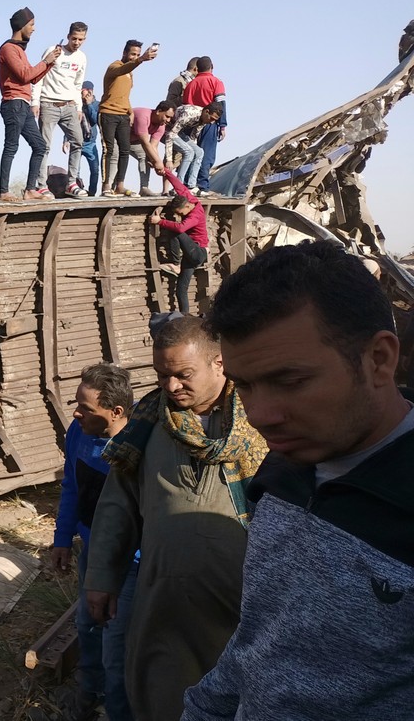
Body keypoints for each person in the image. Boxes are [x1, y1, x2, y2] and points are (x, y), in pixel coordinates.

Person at [182, 240, 414, 721]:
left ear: (379, 359)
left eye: (290, 381)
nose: (262, 415)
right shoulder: (283, 472)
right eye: (244, 385)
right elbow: (262, 638)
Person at [85, 316, 268, 721]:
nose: (170, 387)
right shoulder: (146, 426)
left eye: (183, 374)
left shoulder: (263, 418)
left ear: (219, 363)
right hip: (163, 600)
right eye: (161, 375)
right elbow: (117, 506)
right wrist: (101, 578)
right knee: (161, 695)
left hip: (242, 604)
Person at [51, 363, 136, 721]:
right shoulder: (78, 433)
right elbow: (71, 485)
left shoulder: (136, 449)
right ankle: (88, 697)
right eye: (76, 404)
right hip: (91, 551)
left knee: (118, 648)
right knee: (87, 626)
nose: (75, 412)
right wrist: (63, 538)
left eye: (85, 408)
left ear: (115, 412)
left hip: (131, 564)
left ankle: (117, 712)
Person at [0, 8, 56, 201]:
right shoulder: (9, 49)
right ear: (22, 26)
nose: (34, 29)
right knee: (11, 146)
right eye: (32, 24)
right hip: (13, 104)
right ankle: (3, 191)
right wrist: (45, 61)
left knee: (39, 146)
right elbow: (25, 75)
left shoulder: (19, 50)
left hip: (24, 104)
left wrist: (50, 63)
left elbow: (33, 78)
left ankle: (30, 190)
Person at [32, 21, 89, 198]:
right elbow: (40, 76)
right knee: (44, 146)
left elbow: (78, 83)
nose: (77, 42)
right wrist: (35, 101)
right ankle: (41, 184)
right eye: (74, 38)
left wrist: (78, 107)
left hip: (70, 105)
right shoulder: (54, 51)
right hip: (49, 104)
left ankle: (71, 183)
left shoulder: (82, 58)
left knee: (78, 141)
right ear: (68, 36)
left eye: (81, 39)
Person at [98, 40, 157, 196]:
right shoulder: (115, 67)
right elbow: (123, 69)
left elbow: (124, 95)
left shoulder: (130, 73)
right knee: (109, 150)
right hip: (108, 113)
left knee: (125, 150)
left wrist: (130, 111)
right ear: (124, 53)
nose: (134, 57)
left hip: (123, 115)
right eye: (132, 54)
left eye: (137, 54)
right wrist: (141, 59)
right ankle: (106, 186)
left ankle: (120, 185)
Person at [149, 165, 208, 314]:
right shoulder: (188, 199)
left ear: (187, 206)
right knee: (181, 289)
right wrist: (166, 172)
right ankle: (185, 316)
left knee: (176, 231)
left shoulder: (195, 215)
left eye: (180, 212)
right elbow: (179, 186)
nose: (179, 214)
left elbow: (181, 228)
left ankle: (175, 263)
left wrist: (160, 221)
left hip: (198, 252)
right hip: (190, 253)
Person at [182, 57, 228, 194]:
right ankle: (202, 186)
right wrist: (222, 125)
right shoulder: (216, 82)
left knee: (191, 153)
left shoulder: (191, 84)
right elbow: (221, 105)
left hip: (191, 124)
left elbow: (186, 106)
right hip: (210, 123)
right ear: (211, 67)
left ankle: (187, 185)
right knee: (207, 155)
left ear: (197, 68)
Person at [164, 102, 220, 191]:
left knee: (199, 152)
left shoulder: (204, 119)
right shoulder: (189, 114)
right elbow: (171, 135)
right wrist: (169, 159)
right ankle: (179, 186)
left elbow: (193, 137)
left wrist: (194, 151)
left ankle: (191, 185)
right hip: (168, 131)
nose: (212, 122)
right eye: (212, 118)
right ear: (206, 112)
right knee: (189, 152)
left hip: (179, 133)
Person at [128, 101, 176, 196]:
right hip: (118, 138)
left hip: (133, 141)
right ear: (158, 111)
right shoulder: (143, 116)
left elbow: (153, 145)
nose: (168, 120)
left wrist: (156, 163)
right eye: (167, 116)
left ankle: (144, 188)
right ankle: (112, 188)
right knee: (115, 158)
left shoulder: (161, 126)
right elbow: (145, 142)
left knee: (146, 158)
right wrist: (158, 162)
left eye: (170, 118)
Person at [78, 81, 102, 198]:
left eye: (82, 90)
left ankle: (92, 193)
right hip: (76, 141)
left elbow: (95, 120)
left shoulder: (97, 104)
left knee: (95, 169)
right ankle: (77, 190)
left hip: (90, 142)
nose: (81, 92)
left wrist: (88, 105)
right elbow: (71, 123)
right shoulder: (76, 103)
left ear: (89, 91)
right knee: (74, 169)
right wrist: (65, 140)